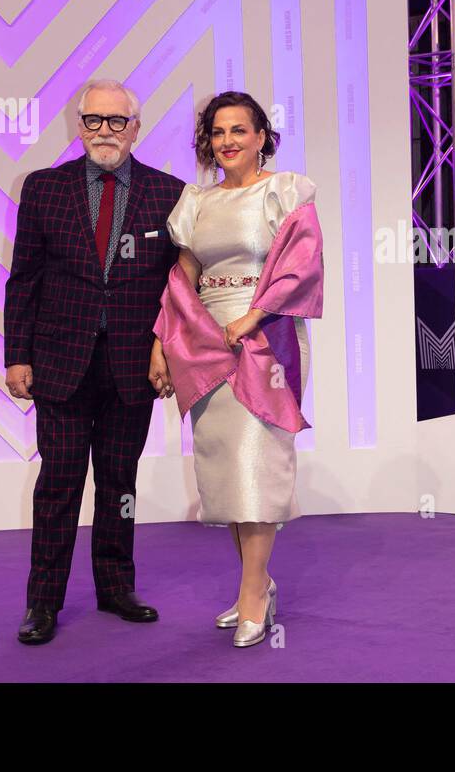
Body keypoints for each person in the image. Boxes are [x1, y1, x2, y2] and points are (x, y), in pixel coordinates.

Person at [4, 79, 185, 645]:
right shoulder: (43, 188)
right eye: (93, 120)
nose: (104, 131)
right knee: (57, 484)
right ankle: (42, 603)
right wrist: (16, 356)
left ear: (137, 127)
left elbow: (179, 285)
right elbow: (25, 277)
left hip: (133, 366)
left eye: (116, 121)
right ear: (77, 125)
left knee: (119, 482)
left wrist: (166, 348)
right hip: (59, 362)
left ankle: (115, 588)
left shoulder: (170, 193)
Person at [150, 91, 324, 648]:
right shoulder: (196, 202)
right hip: (205, 342)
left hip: (265, 337)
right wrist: (162, 341)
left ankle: (253, 594)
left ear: (261, 137)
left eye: (239, 131)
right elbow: (183, 275)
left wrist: (252, 317)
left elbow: (302, 264)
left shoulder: (285, 190)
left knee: (258, 464)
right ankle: (258, 584)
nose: (227, 141)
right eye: (218, 132)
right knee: (226, 472)